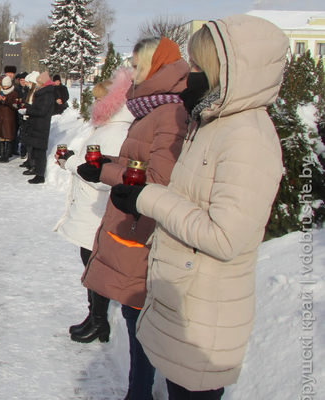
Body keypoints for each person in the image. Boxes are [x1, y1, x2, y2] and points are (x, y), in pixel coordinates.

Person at [110, 16, 288, 399]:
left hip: (206, 311)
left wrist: (146, 198)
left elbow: (225, 237)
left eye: (199, 66)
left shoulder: (247, 138)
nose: (188, 75)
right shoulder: (213, 123)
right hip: (187, 301)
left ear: (228, 70)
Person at [77, 36, 189, 400]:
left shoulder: (170, 113)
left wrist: (107, 173)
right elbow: (138, 164)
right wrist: (107, 165)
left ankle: (139, 392)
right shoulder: (153, 109)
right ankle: (136, 389)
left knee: (139, 312)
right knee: (132, 310)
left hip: (145, 228)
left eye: (139, 67)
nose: (134, 75)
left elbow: (157, 179)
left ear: (160, 66)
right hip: (134, 222)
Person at [52, 68, 133, 342]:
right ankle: (94, 317)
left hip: (98, 212)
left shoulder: (116, 132)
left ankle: (99, 321)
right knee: (90, 264)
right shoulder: (106, 128)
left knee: (95, 267)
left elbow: (103, 176)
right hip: (90, 210)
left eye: (99, 99)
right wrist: (72, 160)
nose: (94, 104)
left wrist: (71, 161)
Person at [19, 72, 55, 184]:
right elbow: (37, 108)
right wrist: (26, 107)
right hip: (36, 125)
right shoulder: (42, 94)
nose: (37, 84)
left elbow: (41, 111)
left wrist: (27, 111)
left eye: (39, 82)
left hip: (41, 126)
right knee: (35, 150)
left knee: (40, 152)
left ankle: (40, 175)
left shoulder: (47, 95)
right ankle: (36, 170)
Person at [0, 76, 18, 163]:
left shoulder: (14, 94)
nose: (5, 88)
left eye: (6, 86)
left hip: (9, 119)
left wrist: (6, 101)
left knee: (8, 137)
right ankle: (1, 155)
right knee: (1, 137)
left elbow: (16, 106)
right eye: (4, 86)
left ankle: (7, 155)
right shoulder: (0, 92)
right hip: (0, 118)